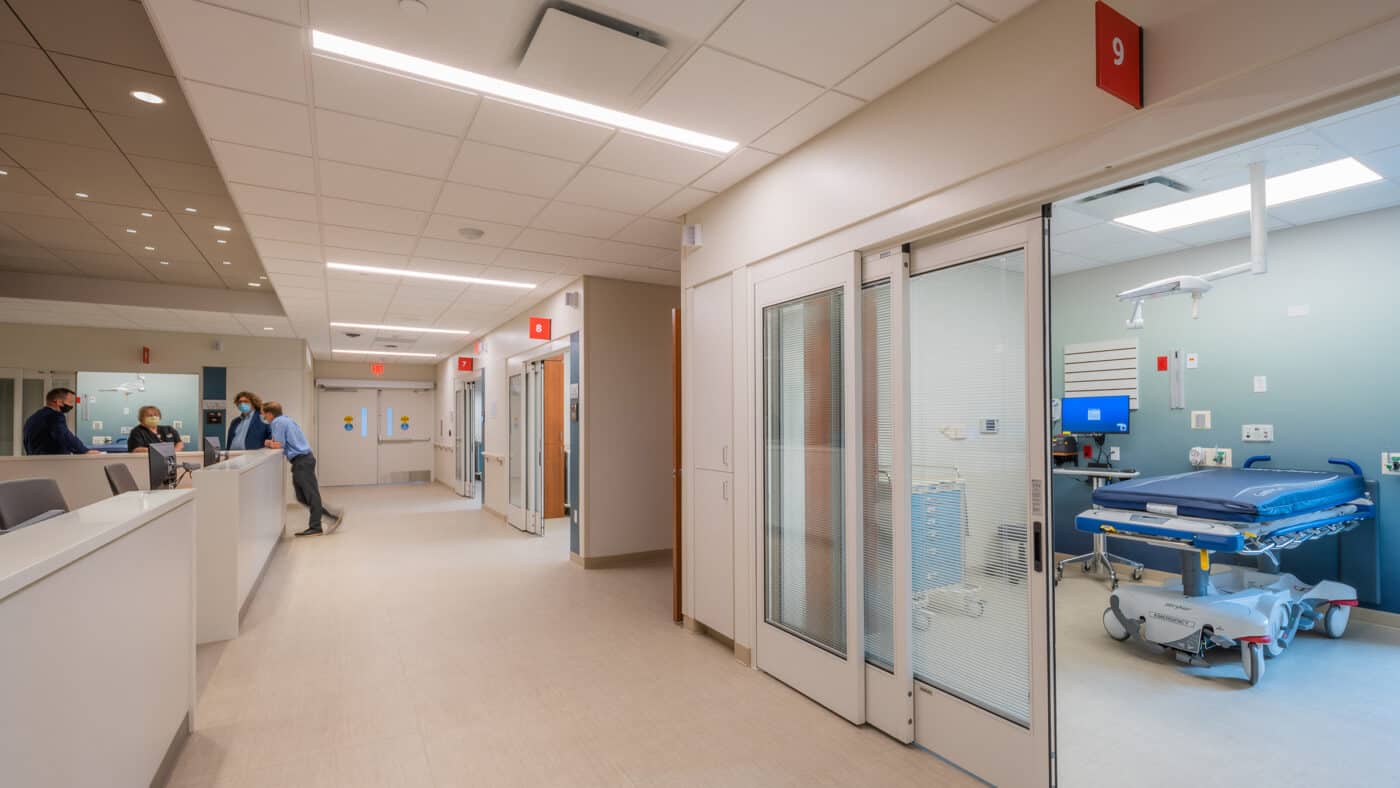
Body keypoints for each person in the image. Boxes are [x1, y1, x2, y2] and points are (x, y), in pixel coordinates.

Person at [262, 401, 343, 536]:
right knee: (301, 496)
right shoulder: (287, 420)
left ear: (270, 414)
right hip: (301, 461)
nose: (264, 417)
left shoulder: (277, 422)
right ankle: (331, 517)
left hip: (302, 461)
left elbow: (278, 445)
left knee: (311, 495)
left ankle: (316, 526)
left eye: (264, 414)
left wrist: (267, 442)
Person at [23, 387, 101, 455]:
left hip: (35, 461)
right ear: (58, 402)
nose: (71, 406)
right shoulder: (54, 416)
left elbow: (26, 442)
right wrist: (84, 451)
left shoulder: (33, 417)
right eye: (70, 402)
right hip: (52, 463)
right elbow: (65, 436)